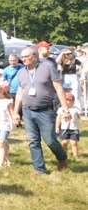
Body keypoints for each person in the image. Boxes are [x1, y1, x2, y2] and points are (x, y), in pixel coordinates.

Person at [13, 47, 72, 175]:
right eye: (22, 57)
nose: (23, 59)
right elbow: (19, 93)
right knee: (33, 141)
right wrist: (16, 112)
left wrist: (65, 109)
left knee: (50, 140)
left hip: (45, 110)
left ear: (34, 56)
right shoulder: (21, 72)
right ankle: (39, 168)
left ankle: (62, 158)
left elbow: (59, 88)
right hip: (28, 111)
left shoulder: (48, 67)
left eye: (26, 57)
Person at [56, 88, 81, 160]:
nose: (66, 102)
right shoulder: (61, 109)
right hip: (64, 128)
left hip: (74, 128)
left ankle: (76, 155)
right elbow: (58, 118)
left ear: (73, 102)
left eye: (68, 100)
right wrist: (57, 127)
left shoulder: (76, 109)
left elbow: (81, 116)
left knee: (74, 143)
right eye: (65, 100)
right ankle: (63, 152)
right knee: (64, 142)